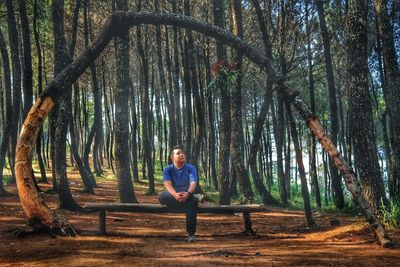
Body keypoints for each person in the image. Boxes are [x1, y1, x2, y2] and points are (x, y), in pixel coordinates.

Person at [159, 145, 198, 242]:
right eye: (178, 153)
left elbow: (193, 182)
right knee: (162, 197)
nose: (181, 155)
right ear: (172, 157)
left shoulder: (191, 168)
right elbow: (167, 184)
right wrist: (176, 195)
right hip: (172, 195)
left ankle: (191, 234)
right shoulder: (168, 169)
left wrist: (188, 193)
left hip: (187, 194)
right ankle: (185, 203)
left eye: (182, 153)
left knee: (193, 200)